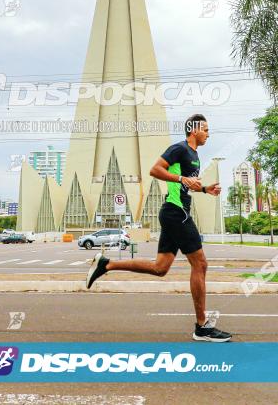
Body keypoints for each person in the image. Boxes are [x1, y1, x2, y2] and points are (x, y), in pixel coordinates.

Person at [85, 113, 232, 342]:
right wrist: (183, 179)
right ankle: (202, 326)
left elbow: (185, 184)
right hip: (176, 213)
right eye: (205, 129)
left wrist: (204, 189)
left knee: (160, 268)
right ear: (193, 130)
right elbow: (155, 170)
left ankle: (107, 264)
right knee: (200, 264)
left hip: (175, 212)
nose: (208, 133)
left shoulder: (194, 156)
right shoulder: (179, 149)